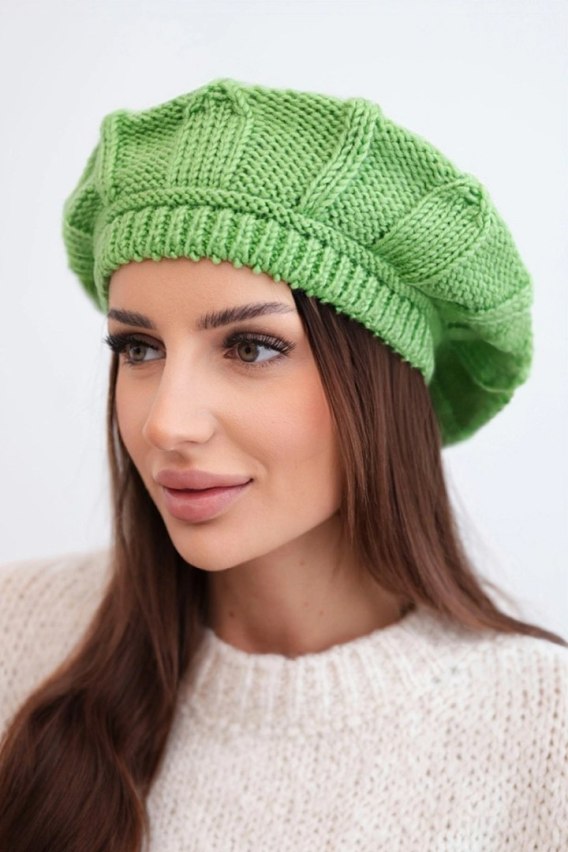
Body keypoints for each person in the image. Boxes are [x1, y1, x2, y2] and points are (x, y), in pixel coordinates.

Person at [0, 77, 566, 852]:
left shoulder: (541, 730)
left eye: (250, 347)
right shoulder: (19, 632)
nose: (166, 422)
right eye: (139, 348)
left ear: (379, 385)